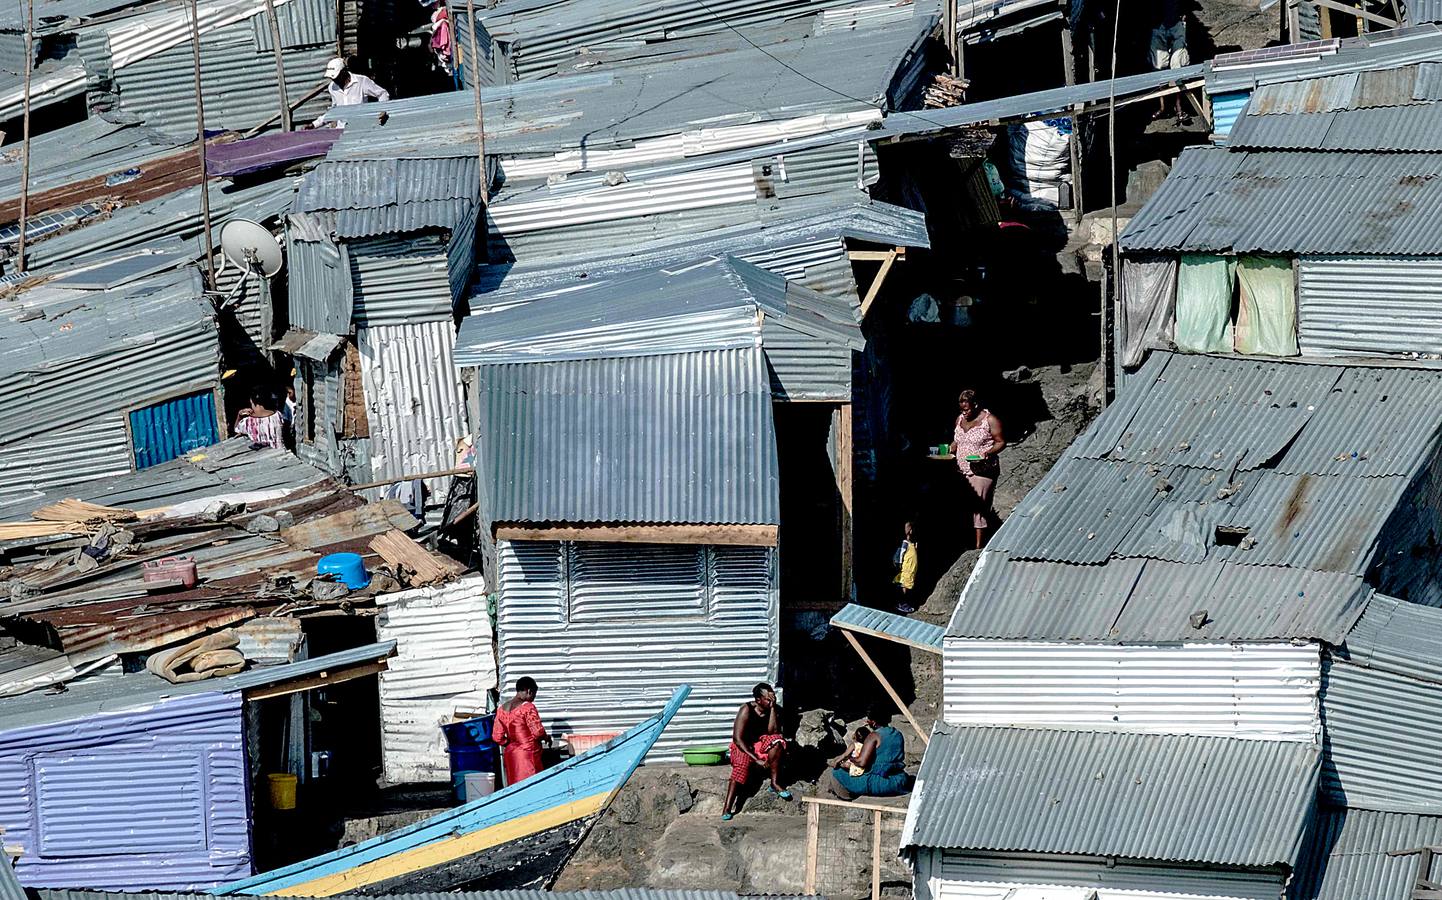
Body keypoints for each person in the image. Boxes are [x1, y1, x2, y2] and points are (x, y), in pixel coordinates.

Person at [723, 683, 790, 820]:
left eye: (773, 698)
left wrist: (772, 709)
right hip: (744, 746)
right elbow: (737, 739)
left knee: (777, 741)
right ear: (758, 700)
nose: (771, 701)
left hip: (760, 744)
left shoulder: (774, 710)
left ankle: (775, 783)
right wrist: (755, 758)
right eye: (768, 699)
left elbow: (773, 732)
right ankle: (728, 807)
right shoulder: (746, 710)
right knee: (741, 767)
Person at [950, 389, 1005, 550]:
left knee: (978, 507)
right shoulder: (960, 420)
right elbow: (957, 441)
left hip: (982, 470)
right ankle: (966, 540)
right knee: (964, 506)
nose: (964, 412)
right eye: (962, 409)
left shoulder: (990, 420)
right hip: (962, 469)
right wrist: (948, 450)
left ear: (975, 405)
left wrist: (986, 453)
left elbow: (1000, 442)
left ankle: (979, 546)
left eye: (967, 409)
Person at [819, 706, 911, 801]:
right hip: (899, 780)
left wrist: (850, 760)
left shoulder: (874, 736)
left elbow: (862, 762)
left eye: (869, 719)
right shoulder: (897, 734)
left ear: (874, 722)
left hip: (881, 782)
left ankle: (848, 797)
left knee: (837, 772)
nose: (867, 721)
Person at [492, 676, 550, 786]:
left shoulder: (501, 709)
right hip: (528, 754)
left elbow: (497, 737)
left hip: (511, 754)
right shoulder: (527, 707)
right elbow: (538, 732)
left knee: (515, 787)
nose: (533, 698)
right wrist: (546, 737)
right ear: (529, 691)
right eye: (534, 694)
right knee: (532, 786)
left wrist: (510, 744)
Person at [312, 58, 389, 127]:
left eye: (336, 77)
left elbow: (382, 93)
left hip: (360, 128)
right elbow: (334, 111)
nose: (335, 80)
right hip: (342, 130)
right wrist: (314, 124)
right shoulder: (332, 87)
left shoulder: (361, 81)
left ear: (344, 72)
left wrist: (383, 110)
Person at [1150, 0, 1190, 123]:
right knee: (1159, 64)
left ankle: (1179, 108)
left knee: (1177, 64)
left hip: (1176, 22)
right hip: (1158, 25)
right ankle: (1162, 107)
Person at [893, 521, 919, 614]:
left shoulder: (912, 544)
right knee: (904, 585)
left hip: (911, 570)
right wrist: (900, 564)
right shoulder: (905, 543)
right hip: (906, 569)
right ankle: (902, 604)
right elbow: (901, 554)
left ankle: (903, 603)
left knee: (907, 585)